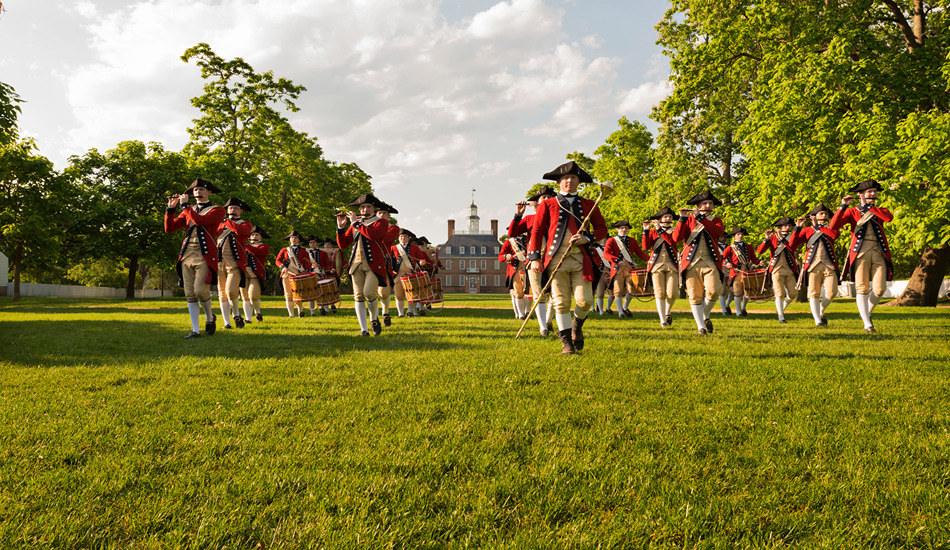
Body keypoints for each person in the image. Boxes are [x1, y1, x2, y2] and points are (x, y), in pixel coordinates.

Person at [527, 161, 608, 355]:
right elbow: (537, 231)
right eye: (565, 178)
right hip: (555, 259)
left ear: (579, 181)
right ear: (559, 182)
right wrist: (535, 257)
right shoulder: (547, 204)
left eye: (573, 178)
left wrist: (587, 238)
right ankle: (566, 343)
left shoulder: (589, 203)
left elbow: (602, 229)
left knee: (585, 301)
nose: (569, 181)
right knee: (561, 302)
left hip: (582, 259)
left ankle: (576, 327)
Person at [164, 178, 226, 339]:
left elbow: (201, 221)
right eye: (195, 190)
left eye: (201, 190)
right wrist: (170, 209)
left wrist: (185, 206)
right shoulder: (188, 210)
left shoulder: (217, 210)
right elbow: (169, 228)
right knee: (189, 294)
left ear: (209, 192)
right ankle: (195, 330)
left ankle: (209, 317)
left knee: (200, 290)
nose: (197, 192)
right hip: (187, 254)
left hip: (204, 255)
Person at [830, 179, 894, 333]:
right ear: (861, 194)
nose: (873, 194)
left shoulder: (880, 209)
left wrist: (870, 207)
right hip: (860, 253)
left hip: (878, 251)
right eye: (869, 192)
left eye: (874, 191)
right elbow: (833, 226)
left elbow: (888, 218)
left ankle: (865, 313)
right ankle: (867, 323)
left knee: (879, 289)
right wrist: (843, 206)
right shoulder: (852, 211)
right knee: (862, 288)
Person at [337, 193, 391, 336]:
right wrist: (341, 228)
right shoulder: (356, 224)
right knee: (358, 296)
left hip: (373, 264)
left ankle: (374, 319)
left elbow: (372, 235)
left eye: (368, 207)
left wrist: (356, 223)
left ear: (374, 208)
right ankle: (364, 329)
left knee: (369, 293)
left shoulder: (381, 222)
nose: (365, 209)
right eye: (362, 207)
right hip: (356, 264)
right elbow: (343, 244)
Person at [673, 191, 725, 335]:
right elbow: (676, 238)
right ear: (698, 205)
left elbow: (718, 231)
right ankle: (700, 327)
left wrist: (701, 218)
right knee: (695, 296)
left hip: (711, 262)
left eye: (710, 204)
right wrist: (681, 220)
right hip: (691, 263)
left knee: (714, 291)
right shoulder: (689, 219)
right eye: (705, 204)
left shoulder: (716, 219)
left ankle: (704, 315)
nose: (708, 206)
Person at [510, 185, 556, 335]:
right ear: (537, 201)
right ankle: (543, 327)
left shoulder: (557, 217)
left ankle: (549, 321)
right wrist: (518, 215)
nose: (547, 199)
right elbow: (513, 233)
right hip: (534, 260)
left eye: (550, 197)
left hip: (554, 259)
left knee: (557, 294)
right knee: (538, 294)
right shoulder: (530, 218)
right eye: (544, 197)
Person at [797, 204, 840, 327]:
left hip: (829, 264)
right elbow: (793, 243)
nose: (824, 215)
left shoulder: (832, 228)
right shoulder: (807, 230)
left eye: (825, 213)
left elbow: (834, 235)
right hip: (812, 265)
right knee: (814, 293)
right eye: (821, 213)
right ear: (814, 216)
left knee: (832, 292)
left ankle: (821, 309)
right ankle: (818, 320)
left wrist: (818, 227)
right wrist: (797, 228)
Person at [757, 216, 803, 324]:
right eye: (785, 225)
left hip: (790, 269)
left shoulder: (793, 237)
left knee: (792, 294)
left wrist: (797, 228)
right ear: (780, 227)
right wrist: (767, 239)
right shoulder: (773, 237)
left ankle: (781, 309)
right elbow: (760, 251)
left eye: (789, 225)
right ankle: (781, 316)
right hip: (776, 269)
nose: (788, 227)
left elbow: (792, 246)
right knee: (779, 293)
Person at [215, 198, 254, 329]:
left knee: (231, 291)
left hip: (235, 263)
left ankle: (236, 314)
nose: (233, 210)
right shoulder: (220, 224)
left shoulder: (246, 224)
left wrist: (227, 221)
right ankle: (227, 322)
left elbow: (241, 232)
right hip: (220, 262)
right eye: (230, 208)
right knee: (222, 293)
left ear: (241, 210)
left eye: (236, 208)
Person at [603, 220, 649, 318]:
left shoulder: (632, 240)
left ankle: (625, 307)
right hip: (617, 269)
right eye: (621, 228)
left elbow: (640, 253)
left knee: (632, 290)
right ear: (617, 229)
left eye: (625, 228)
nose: (624, 230)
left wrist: (650, 259)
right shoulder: (611, 240)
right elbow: (606, 254)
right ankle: (620, 312)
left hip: (629, 268)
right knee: (618, 291)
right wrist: (616, 260)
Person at [643, 207, 679, 327]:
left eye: (669, 217)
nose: (668, 219)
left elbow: (671, 241)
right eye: (665, 217)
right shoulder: (653, 231)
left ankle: (667, 312)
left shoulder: (675, 230)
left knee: (672, 293)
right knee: (659, 293)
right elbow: (646, 247)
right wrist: (646, 231)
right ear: (660, 219)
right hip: (656, 264)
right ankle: (662, 320)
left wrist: (659, 229)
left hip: (672, 264)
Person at [720, 226, 760, 318]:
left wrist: (759, 262)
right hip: (736, 272)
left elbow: (753, 259)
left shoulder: (749, 247)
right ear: (734, 236)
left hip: (746, 272)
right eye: (738, 234)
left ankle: (743, 308)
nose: (740, 236)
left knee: (747, 292)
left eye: (742, 234)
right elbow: (723, 257)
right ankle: (738, 312)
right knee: (737, 292)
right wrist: (727, 263)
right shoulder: (730, 248)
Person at [392, 229, 431, 318]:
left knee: (411, 295)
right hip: (398, 275)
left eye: (405, 236)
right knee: (399, 295)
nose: (403, 238)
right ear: (398, 238)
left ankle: (409, 311)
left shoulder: (415, 248)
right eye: (401, 236)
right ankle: (400, 313)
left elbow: (421, 259)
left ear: (408, 238)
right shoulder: (394, 248)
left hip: (410, 274)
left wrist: (422, 262)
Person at [275, 230, 313, 318]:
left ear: (299, 240)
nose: (294, 239)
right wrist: (283, 267)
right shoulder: (284, 250)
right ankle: (291, 314)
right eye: (292, 237)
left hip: (298, 274)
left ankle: (300, 311)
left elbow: (307, 262)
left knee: (298, 293)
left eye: (296, 237)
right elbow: (278, 261)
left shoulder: (303, 250)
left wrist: (309, 268)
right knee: (288, 294)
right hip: (287, 273)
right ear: (289, 239)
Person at [376, 204, 401, 325]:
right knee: (369, 293)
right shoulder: (369, 227)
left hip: (383, 263)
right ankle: (374, 317)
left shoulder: (393, 228)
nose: (381, 215)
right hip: (368, 262)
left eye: (384, 213)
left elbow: (384, 239)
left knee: (383, 292)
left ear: (389, 216)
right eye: (379, 213)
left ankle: (385, 312)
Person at [240, 226, 270, 323]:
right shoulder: (244, 246)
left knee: (253, 296)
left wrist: (245, 244)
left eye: (257, 235)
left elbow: (257, 252)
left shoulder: (264, 247)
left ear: (261, 237)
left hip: (255, 274)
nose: (254, 236)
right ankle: (248, 319)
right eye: (252, 234)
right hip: (244, 273)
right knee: (245, 297)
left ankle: (257, 312)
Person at [499, 233, 530, 320]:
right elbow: (500, 257)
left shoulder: (528, 239)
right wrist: (506, 256)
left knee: (529, 292)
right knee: (517, 292)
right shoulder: (509, 242)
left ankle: (527, 312)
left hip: (528, 267)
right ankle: (521, 315)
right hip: (515, 270)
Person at [304, 236, 333, 316]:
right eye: (310, 242)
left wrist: (330, 269)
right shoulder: (306, 253)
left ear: (317, 243)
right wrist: (311, 266)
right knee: (311, 293)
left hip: (321, 274)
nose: (312, 244)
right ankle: (312, 312)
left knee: (323, 292)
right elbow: (304, 264)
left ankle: (325, 309)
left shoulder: (323, 253)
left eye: (314, 242)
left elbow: (327, 264)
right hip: (310, 275)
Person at [321, 238, 343, 313]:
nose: (327, 245)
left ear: (332, 245)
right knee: (324, 291)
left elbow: (342, 261)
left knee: (332, 290)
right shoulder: (320, 253)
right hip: (323, 274)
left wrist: (345, 265)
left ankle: (332, 304)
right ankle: (326, 308)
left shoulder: (336, 252)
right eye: (325, 244)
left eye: (328, 244)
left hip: (333, 275)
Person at [717, 234, 734, 316]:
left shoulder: (730, 247)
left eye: (724, 237)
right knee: (722, 291)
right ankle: (724, 310)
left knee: (733, 290)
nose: (723, 238)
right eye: (721, 237)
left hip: (731, 269)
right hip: (721, 269)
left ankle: (727, 305)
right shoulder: (715, 246)